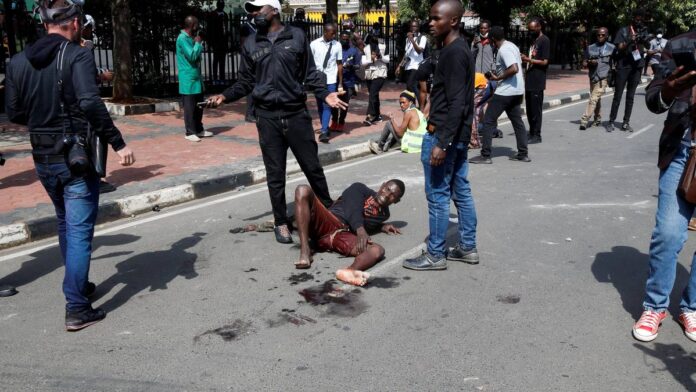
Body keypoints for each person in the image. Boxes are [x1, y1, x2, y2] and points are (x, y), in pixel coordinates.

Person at [5, 0, 136, 331]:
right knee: (79, 231)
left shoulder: (18, 61)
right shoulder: (77, 55)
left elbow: (15, 111)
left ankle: (79, 286)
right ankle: (77, 306)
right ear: (75, 23)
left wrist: (42, 117)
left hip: (42, 157)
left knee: (65, 223)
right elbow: (91, 103)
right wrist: (118, 143)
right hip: (74, 156)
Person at [207, 0, 346, 244]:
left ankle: (329, 210)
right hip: (267, 117)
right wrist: (225, 96)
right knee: (275, 174)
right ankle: (281, 222)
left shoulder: (296, 36)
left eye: (257, 9)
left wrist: (326, 93)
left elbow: (310, 73)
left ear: (273, 10)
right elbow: (245, 82)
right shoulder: (251, 43)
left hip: (296, 115)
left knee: (312, 166)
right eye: (251, 10)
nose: (253, 14)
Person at [402, 0, 478, 271]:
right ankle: (467, 247)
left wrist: (442, 143)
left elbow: (458, 101)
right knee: (461, 191)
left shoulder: (454, 53)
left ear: (454, 20)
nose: (430, 24)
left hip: (443, 136)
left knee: (438, 195)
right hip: (454, 134)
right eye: (430, 19)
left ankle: (435, 254)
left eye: (436, 19)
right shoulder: (455, 50)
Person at [632, 31, 696, 343]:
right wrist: (671, 90)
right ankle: (655, 306)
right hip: (683, 151)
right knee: (669, 233)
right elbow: (654, 99)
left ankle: (692, 306)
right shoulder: (680, 46)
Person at [293, 180, 405, 286]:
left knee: (377, 250)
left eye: (392, 196)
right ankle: (305, 250)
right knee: (303, 189)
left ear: (396, 201)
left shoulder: (384, 214)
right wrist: (359, 228)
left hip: (340, 236)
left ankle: (349, 271)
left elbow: (369, 224)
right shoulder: (360, 188)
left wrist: (382, 226)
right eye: (387, 189)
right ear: (382, 186)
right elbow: (353, 208)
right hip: (328, 221)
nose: (386, 195)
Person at [470, 26, 529, 164]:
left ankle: (485, 155)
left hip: (506, 91)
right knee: (517, 121)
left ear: (493, 39)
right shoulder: (512, 45)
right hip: (517, 90)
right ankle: (523, 154)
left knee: (489, 120)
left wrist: (497, 78)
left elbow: (514, 68)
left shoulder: (504, 49)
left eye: (490, 39)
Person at [81, 14, 117, 194]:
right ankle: (96, 178)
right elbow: (83, 74)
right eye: (89, 28)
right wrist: (101, 76)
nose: (90, 32)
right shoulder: (80, 46)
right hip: (86, 101)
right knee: (98, 135)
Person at [607, 9, 650, 132]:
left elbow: (648, 46)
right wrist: (630, 40)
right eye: (637, 17)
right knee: (618, 95)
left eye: (641, 18)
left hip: (637, 67)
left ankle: (626, 122)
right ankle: (611, 121)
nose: (639, 20)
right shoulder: (624, 30)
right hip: (623, 66)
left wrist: (644, 40)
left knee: (630, 97)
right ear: (633, 18)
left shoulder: (643, 30)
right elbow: (619, 47)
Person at [176, 16, 213, 142]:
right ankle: (190, 131)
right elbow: (192, 55)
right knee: (190, 107)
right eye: (197, 25)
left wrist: (196, 42)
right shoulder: (182, 39)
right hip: (188, 78)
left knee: (199, 106)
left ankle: (199, 129)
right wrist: (197, 43)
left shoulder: (189, 38)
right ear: (192, 26)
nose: (198, 27)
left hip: (196, 78)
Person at [310, 23, 343, 143]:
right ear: (325, 32)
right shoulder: (314, 44)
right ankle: (325, 126)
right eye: (332, 33)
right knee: (320, 104)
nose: (334, 35)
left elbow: (339, 64)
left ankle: (324, 131)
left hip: (330, 80)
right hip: (318, 80)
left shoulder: (337, 45)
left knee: (327, 105)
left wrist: (340, 82)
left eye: (335, 33)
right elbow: (309, 63)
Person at [579, 27, 615, 130]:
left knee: (593, 99)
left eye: (603, 35)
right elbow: (584, 62)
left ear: (607, 36)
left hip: (603, 78)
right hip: (592, 77)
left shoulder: (612, 48)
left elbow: (615, 63)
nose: (600, 36)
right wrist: (590, 62)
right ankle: (597, 119)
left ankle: (584, 120)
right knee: (596, 99)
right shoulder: (590, 48)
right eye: (598, 35)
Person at [521, 17, 550, 144]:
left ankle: (537, 135)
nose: (531, 32)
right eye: (529, 29)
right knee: (529, 108)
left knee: (536, 110)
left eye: (533, 29)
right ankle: (532, 132)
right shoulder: (533, 40)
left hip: (537, 80)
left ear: (539, 27)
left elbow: (545, 61)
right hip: (529, 78)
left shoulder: (545, 40)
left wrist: (528, 60)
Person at [331, 30, 362, 132]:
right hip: (335, 80)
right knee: (334, 103)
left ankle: (341, 122)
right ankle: (334, 121)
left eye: (346, 39)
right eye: (342, 39)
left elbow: (358, 66)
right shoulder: (335, 48)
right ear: (340, 38)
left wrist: (351, 66)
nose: (344, 40)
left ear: (349, 39)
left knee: (344, 103)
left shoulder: (354, 51)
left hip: (348, 81)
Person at [396, 20, 428, 104]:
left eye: (415, 26)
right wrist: (400, 65)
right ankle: (413, 106)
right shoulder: (407, 39)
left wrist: (413, 41)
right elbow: (406, 54)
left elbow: (419, 51)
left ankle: (423, 103)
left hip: (417, 66)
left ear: (418, 27)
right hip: (408, 66)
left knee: (411, 85)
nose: (413, 28)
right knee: (409, 88)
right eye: (412, 26)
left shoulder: (422, 37)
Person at [361, 36, 389, 125]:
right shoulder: (366, 48)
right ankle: (377, 115)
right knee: (374, 95)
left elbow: (387, 59)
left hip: (380, 73)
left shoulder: (383, 47)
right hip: (370, 74)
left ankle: (370, 116)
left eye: (376, 40)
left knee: (373, 93)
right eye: (372, 40)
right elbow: (363, 62)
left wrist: (380, 56)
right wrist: (371, 59)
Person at [470, 72, 496, 149]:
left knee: (473, 115)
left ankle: (474, 142)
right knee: (478, 114)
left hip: (483, 88)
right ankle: (493, 131)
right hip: (486, 88)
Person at [240, 14, 256, 123]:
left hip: (257, 58)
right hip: (250, 59)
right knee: (250, 87)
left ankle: (254, 112)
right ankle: (249, 114)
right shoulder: (246, 27)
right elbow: (243, 42)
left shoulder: (257, 27)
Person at [208, 0, 229, 85]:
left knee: (222, 60)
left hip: (223, 41)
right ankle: (215, 78)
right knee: (216, 60)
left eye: (223, 4)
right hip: (216, 41)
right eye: (220, 4)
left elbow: (226, 28)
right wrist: (211, 42)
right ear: (217, 5)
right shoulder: (213, 14)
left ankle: (222, 78)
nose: (222, 6)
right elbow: (210, 29)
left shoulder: (225, 15)